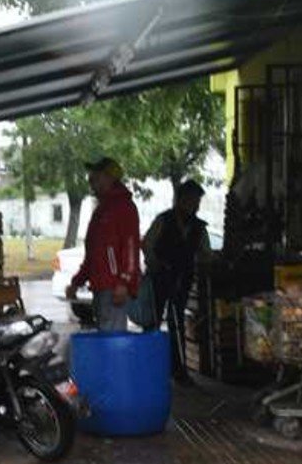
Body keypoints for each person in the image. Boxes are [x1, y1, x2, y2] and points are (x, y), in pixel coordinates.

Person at [144, 179, 212, 381]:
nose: (196, 206)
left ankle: (179, 370)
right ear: (181, 200)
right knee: (152, 323)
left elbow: (205, 253)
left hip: (182, 280)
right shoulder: (163, 220)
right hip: (160, 279)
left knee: (177, 323)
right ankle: (149, 366)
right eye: (192, 200)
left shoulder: (199, 227)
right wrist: (155, 264)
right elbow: (148, 244)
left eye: (198, 202)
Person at [66, 157, 140, 332]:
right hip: (101, 287)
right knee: (105, 336)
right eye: (91, 178)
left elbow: (131, 248)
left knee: (112, 339)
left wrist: (124, 282)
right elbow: (93, 253)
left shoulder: (123, 207)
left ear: (110, 177)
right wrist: (77, 281)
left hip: (113, 288)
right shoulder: (102, 209)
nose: (91, 181)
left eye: (95, 177)